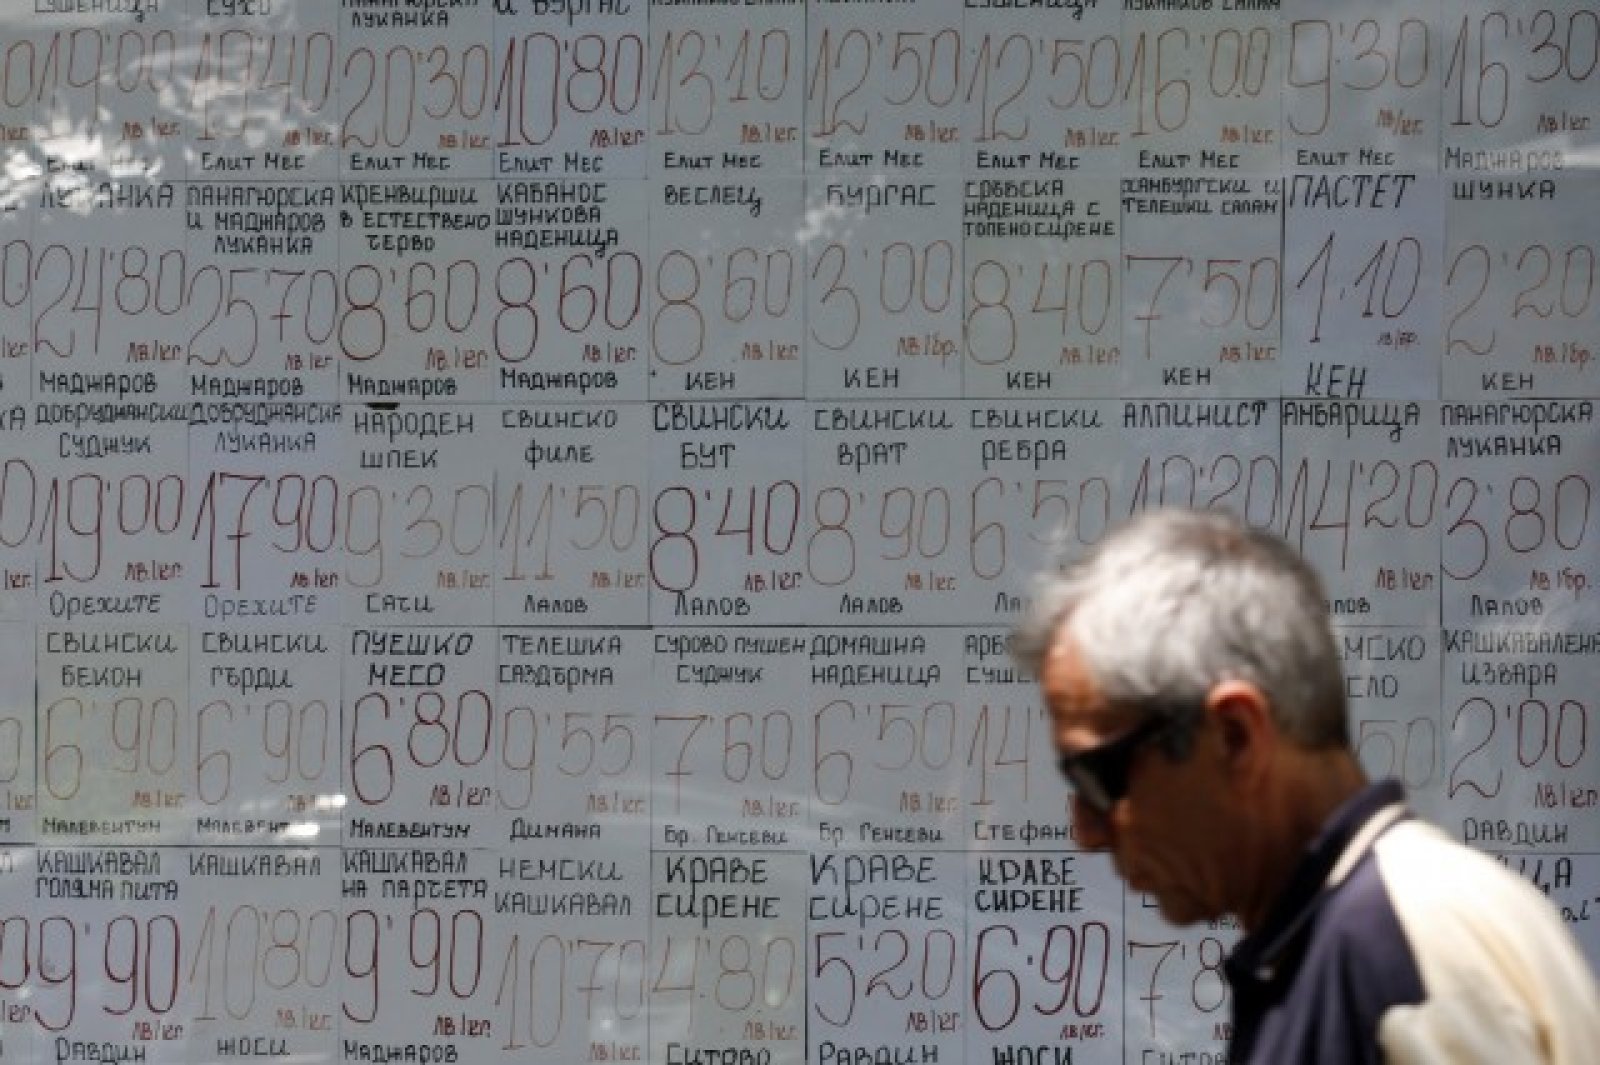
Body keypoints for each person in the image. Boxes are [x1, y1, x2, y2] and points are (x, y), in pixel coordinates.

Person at [1011, 507, 1600, 1064]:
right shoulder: (1349, 938)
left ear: (1236, 737)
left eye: (1097, 776)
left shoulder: (1399, 947)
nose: (1087, 832)